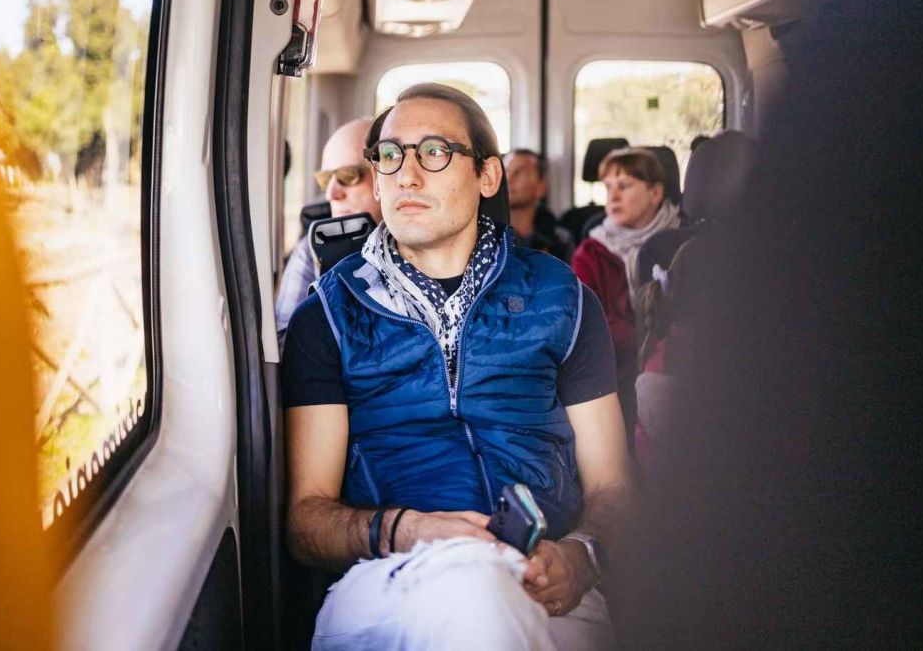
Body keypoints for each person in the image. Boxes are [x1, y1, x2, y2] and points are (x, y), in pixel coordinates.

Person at [282, 83, 632, 650]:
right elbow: (306, 521)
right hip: (389, 577)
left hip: (548, 577)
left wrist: (582, 555)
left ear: (487, 176)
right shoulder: (327, 316)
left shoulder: (563, 300)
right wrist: (408, 529)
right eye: (389, 155)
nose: (407, 175)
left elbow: (613, 483)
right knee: (475, 597)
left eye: (434, 152)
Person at [571, 148, 681, 446]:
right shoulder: (591, 252)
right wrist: (642, 342)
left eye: (625, 185)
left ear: (655, 193)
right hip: (615, 371)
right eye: (608, 187)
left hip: (672, 364)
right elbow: (589, 322)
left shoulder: (683, 246)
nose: (614, 196)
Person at [275, 118, 381, 347]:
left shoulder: (418, 242)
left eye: (348, 176)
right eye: (325, 179)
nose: (331, 193)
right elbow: (286, 343)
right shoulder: (311, 250)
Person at [504, 148, 572, 260]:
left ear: (541, 187)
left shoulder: (559, 241)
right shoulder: (484, 236)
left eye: (519, 173)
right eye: (506, 172)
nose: (508, 179)